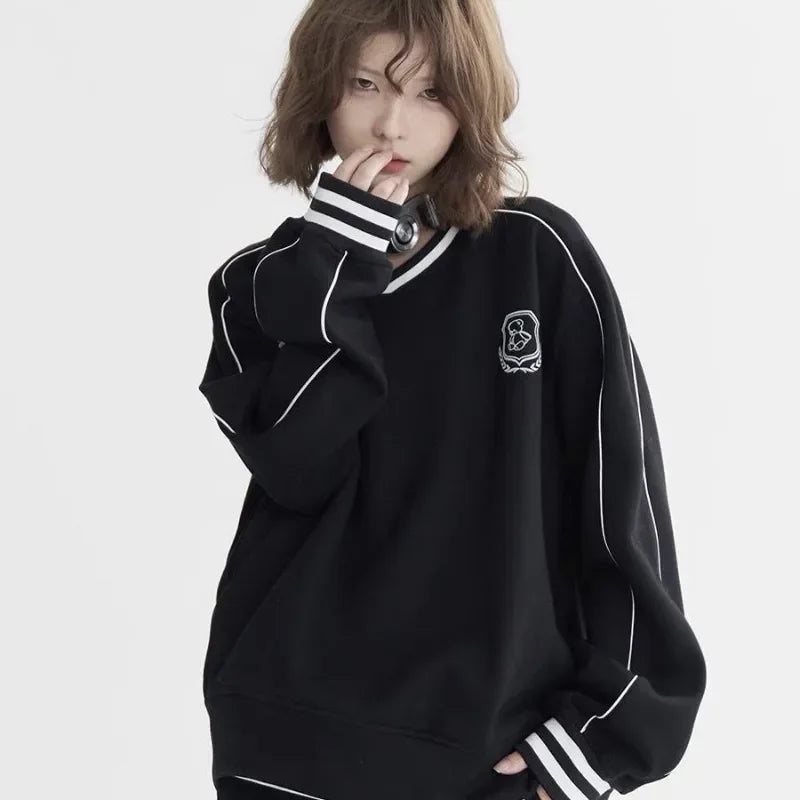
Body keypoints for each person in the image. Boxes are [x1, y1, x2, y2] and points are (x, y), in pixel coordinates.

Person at [197, 2, 707, 799]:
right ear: (320, 90)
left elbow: (619, 502)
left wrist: (609, 734)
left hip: (487, 754)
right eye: (365, 84)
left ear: (471, 104)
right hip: (288, 746)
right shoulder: (257, 286)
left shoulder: (538, 257)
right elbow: (298, 467)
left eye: (430, 92)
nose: (390, 124)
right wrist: (336, 264)